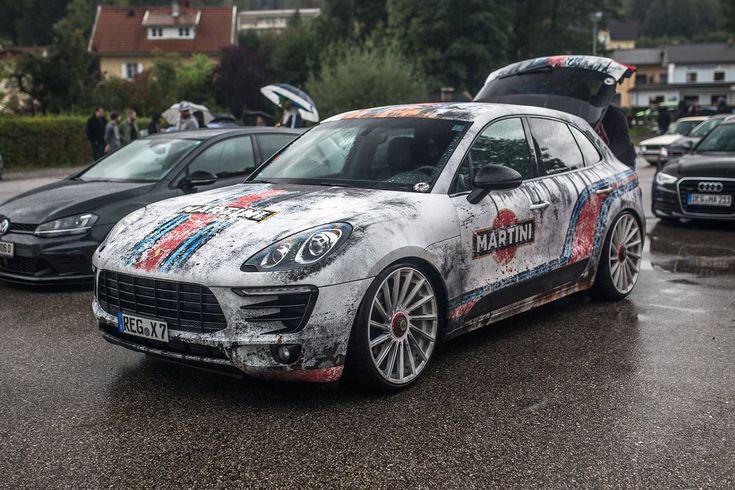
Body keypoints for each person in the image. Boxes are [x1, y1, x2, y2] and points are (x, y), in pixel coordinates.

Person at [599, 104, 636, 168]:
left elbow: (623, 139)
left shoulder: (614, 112)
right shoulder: (585, 112)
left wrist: (606, 156)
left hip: (622, 162)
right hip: (602, 162)